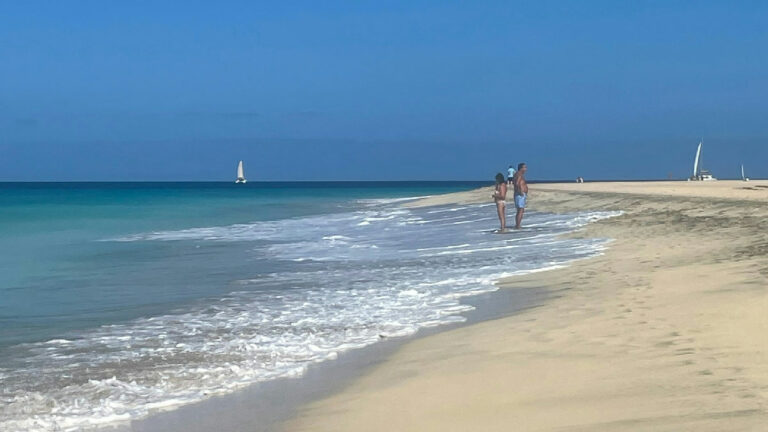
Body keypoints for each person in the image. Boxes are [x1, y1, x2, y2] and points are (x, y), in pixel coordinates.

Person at [512, 162, 528, 229]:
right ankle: (518, 225)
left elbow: (515, 183)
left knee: (519, 210)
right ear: (521, 168)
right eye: (525, 167)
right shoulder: (519, 174)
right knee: (520, 210)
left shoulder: (517, 174)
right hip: (520, 194)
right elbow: (517, 183)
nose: (526, 169)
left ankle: (517, 224)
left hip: (518, 194)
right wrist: (520, 191)